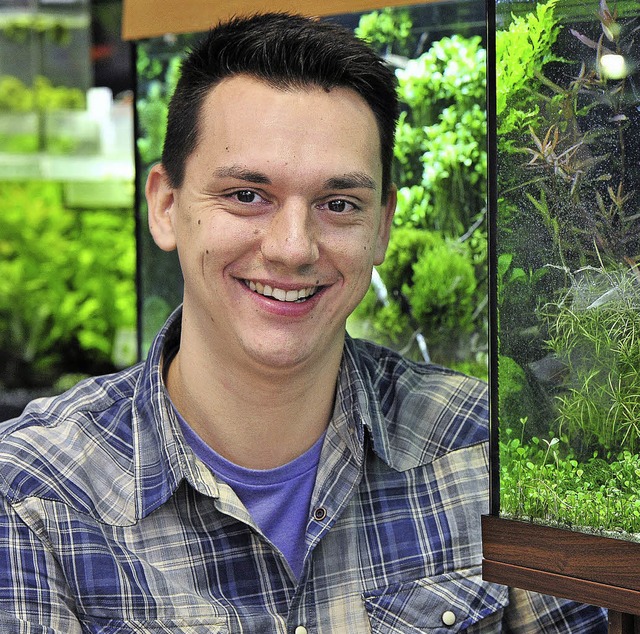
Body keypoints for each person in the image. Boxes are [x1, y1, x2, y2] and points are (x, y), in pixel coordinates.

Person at [0, 13, 606, 633]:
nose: (293, 248)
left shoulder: (488, 453)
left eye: (338, 204)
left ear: (383, 227)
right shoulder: (35, 497)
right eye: (246, 196)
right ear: (165, 206)